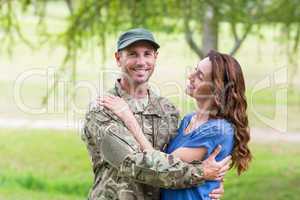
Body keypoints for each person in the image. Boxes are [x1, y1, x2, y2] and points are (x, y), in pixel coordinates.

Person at [82, 28, 230, 200]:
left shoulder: (168, 110)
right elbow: (134, 164)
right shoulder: (103, 109)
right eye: (132, 54)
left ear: (155, 57)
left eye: (147, 54)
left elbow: (180, 158)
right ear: (118, 58)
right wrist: (201, 174)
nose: (141, 61)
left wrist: (212, 184)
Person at [99, 50, 252, 199]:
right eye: (195, 70)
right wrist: (212, 180)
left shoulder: (218, 129)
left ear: (217, 89)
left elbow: (162, 166)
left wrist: (128, 116)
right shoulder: (188, 120)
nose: (190, 76)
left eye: (199, 76)